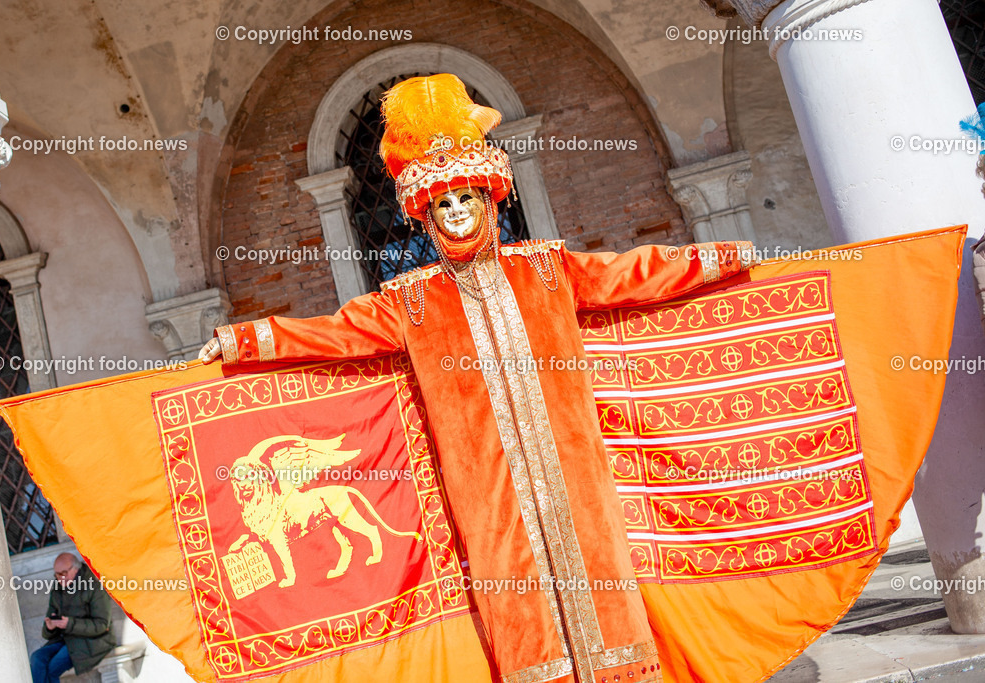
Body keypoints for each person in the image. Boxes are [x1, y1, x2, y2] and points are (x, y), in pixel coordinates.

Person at [200, 73, 754, 683]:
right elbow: (333, 331)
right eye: (445, 204)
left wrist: (721, 257)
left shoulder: (546, 269)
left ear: (491, 201)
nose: (458, 213)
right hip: (484, 486)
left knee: (602, 570)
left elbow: (630, 273)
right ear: (426, 215)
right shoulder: (410, 301)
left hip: (573, 471)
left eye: (467, 198)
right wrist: (242, 340)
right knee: (512, 592)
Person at [30, 552, 116, 683]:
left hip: (92, 641)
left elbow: (102, 625)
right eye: (57, 574)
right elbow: (47, 633)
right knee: (37, 658)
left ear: (75, 569)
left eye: (63, 573)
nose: (60, 578)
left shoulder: (93, 586)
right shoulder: (57, 589)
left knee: (52, 668)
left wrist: (69, 624)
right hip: (65, 639)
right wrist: (50, 627)